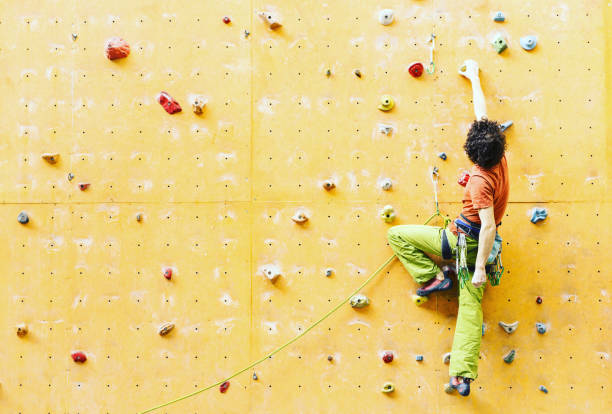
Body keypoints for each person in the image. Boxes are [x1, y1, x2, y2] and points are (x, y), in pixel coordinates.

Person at [386, 59, 509, 396]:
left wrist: (480, 266)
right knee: (470, 308)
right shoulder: (498, 156)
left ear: (473, 152)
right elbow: (483, 118)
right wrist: (474, 79)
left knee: (396, 235)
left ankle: (431, 276)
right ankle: (462, 377)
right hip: (469, 240)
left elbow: (487, 228)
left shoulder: (479, 183)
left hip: (464, 245)